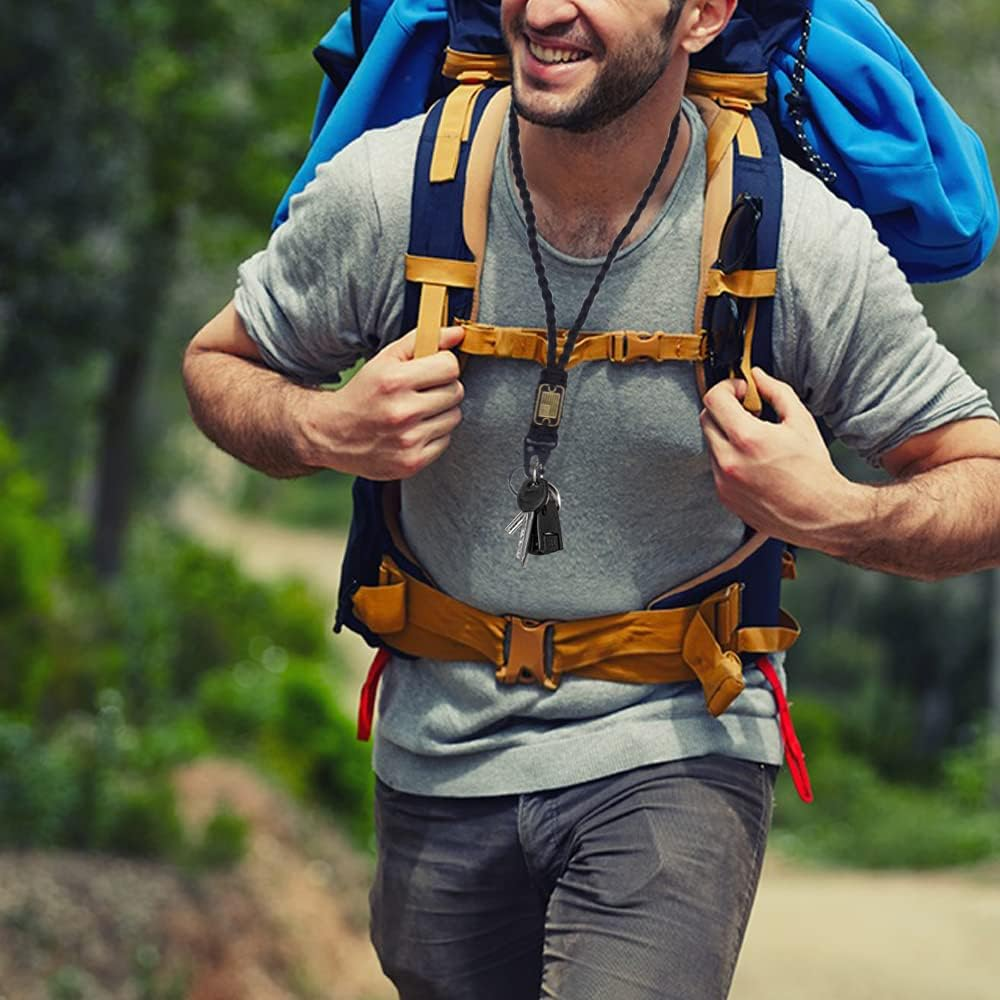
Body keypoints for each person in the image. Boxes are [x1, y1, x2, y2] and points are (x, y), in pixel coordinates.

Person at [183, 1, 1000, 996]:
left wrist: (834, 511)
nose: (543, 7)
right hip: (438, 749)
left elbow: (982, 477)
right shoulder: (397, 192)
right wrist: (324, 429)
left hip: (676, 740)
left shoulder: (792, 240)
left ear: (699, 15)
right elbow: (219, 364)